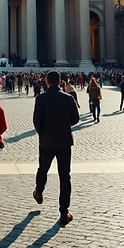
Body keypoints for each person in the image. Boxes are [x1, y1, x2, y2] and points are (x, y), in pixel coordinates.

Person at [32, 70, 80, 226]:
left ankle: (39, 191)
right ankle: (64, 212)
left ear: (46, 82)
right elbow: (75, 119)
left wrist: (43, 133)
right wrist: (64, 127)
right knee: (65, 176)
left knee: (43, 169)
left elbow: (37, 121)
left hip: (46, 141)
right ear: (60, 82)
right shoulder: (68, 98)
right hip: (64, 141)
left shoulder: (41, 98)